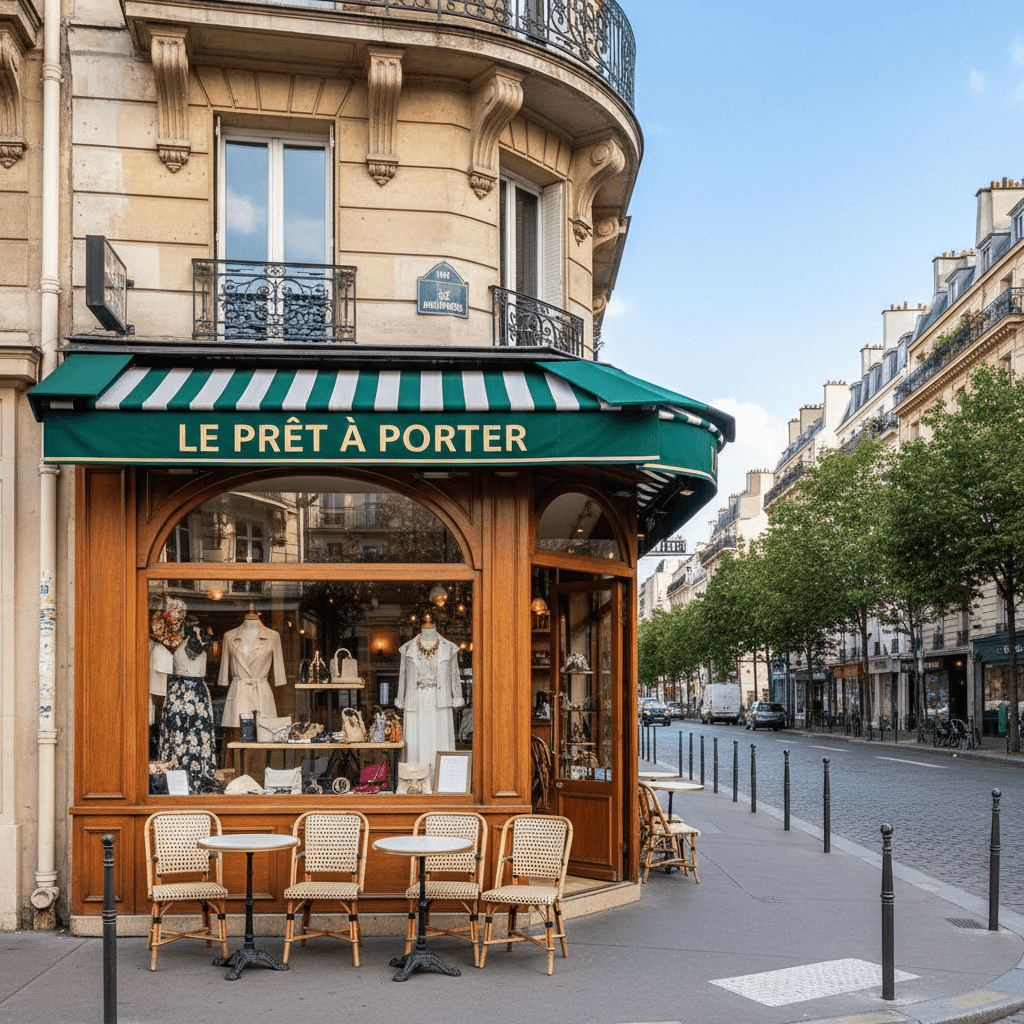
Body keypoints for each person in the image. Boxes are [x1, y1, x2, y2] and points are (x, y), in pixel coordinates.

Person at [395, 613, 464, 769]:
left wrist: (457, 696)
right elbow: (403, 676)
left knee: (440, 740)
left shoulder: (449, 648)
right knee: (416, 741)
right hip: (416, 700)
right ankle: (415, 780)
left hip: (440, 701)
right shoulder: (408, 649)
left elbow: (454, 675)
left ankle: (441, 780)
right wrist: (401, 698)